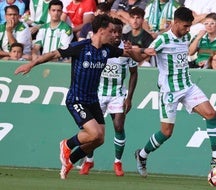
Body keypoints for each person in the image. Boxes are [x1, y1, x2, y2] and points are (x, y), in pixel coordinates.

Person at [14, 14, 155, 180]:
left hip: (93, 100)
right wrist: (31, 64)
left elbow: (131, 53)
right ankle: (66, 144)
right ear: (101, 31)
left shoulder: (108, 50)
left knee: (99, 139)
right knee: (94, 133)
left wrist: (145, 51)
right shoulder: (80, 47)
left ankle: (70, 161)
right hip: (76, 99)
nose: (114, 35)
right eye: (111, 31)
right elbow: (53, 54)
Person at [134, 6, 216, 178]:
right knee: (166, 132)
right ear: (176, 23)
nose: (188, 29)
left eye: (190, 26)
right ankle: (142, 154)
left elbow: (185, 55)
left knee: (211, 114)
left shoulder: (186, 37)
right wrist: (140, 51)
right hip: (170, 91)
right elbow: (141, 58)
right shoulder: (162, 40)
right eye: (185, 26)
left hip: (187, 86)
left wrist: (196, 55)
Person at [79, 18, 138, 176]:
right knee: (93, 131)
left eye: (119, 31)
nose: (117, 34)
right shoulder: (99, 47)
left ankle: (118, 162)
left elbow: (134, 74)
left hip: (118, 94)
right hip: (97, 93)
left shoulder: (126, 50)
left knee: (118, 126)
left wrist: (129, 97)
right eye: (113, 31)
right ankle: (89, 160)